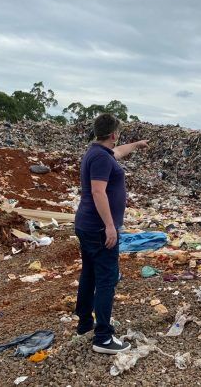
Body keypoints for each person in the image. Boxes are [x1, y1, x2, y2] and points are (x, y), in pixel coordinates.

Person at [74, 113, 148, 354]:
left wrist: (136, 145)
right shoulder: (101, 158)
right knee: (107, 279)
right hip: (98, 228)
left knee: (90, 274)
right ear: (114, 134)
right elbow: (98, 192)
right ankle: (103, 338)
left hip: (87, 225)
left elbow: (119, 152)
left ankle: (86, 322)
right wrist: (109, 226)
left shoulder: (98, 153)